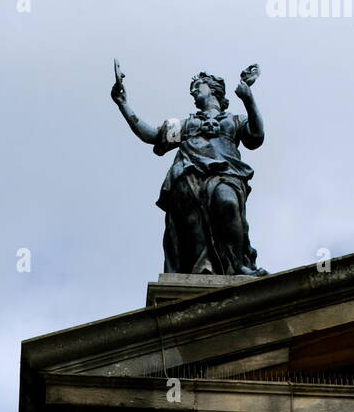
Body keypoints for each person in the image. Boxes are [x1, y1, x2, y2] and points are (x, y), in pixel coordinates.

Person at [112, 63, 267, 277]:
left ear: (213, 88)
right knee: (194, 230)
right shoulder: (186, 125)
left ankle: (238, 264)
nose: (193, 91)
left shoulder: (234, 120)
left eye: (197, 86)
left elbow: (256, 137)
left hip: (226, 173)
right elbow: (151, 135)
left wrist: (248, 99)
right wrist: (123, 105)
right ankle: (201, 270)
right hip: (188, 174)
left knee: (228, 204)